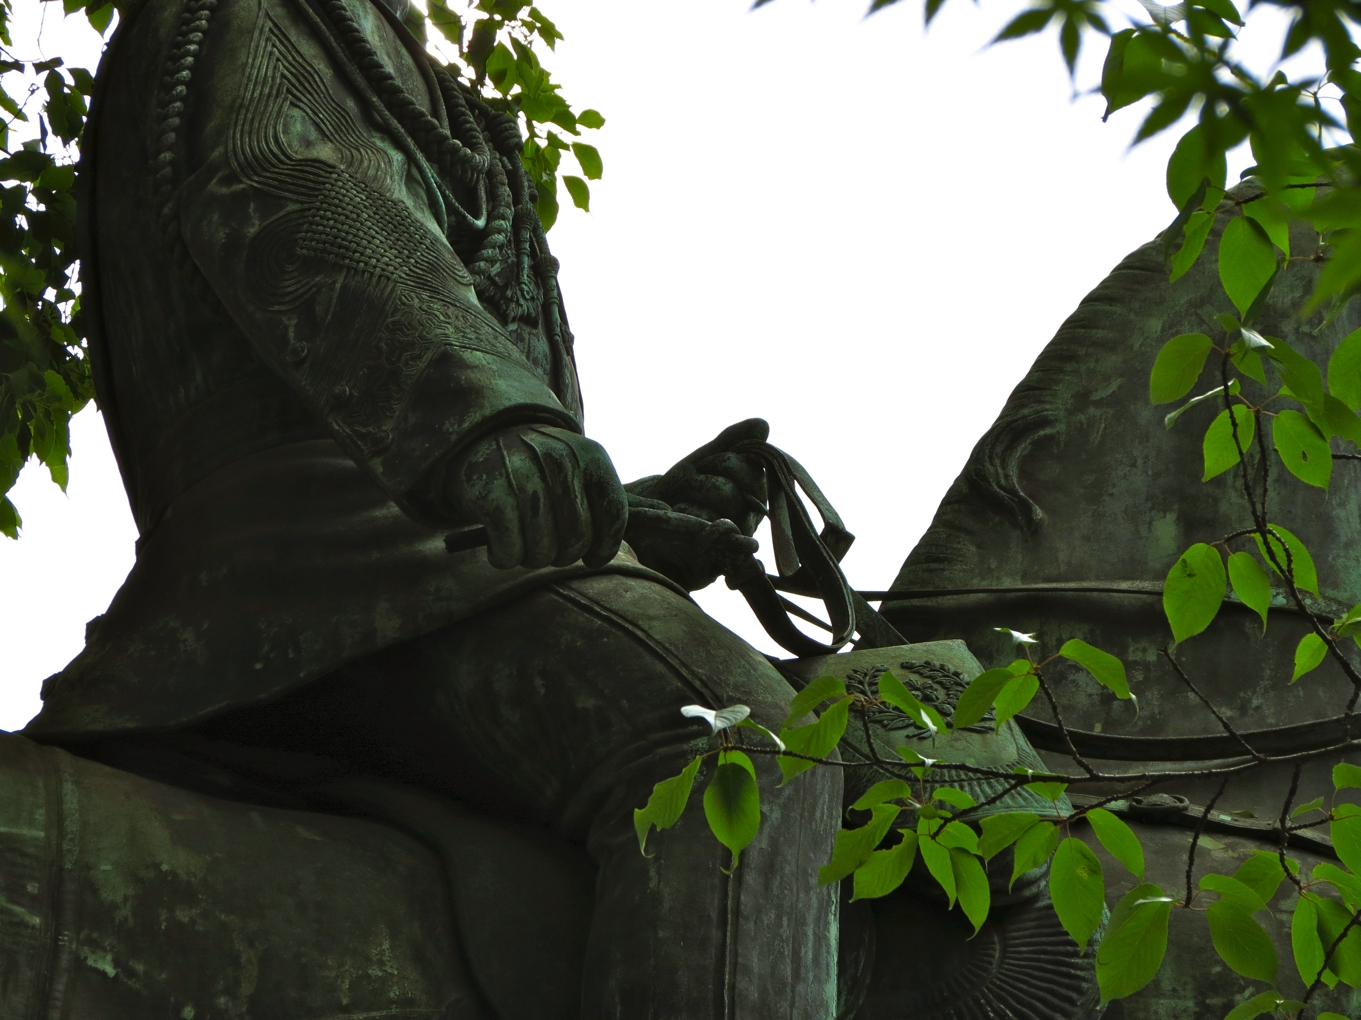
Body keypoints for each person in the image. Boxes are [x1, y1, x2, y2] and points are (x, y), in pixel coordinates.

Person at [22, 0, 841, 1015]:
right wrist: (488, 417)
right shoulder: (270, 12)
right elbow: (288, 183)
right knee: (739, 742)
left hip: (433, 564)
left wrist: (618, 517)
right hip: (319, 566)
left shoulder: (417, 74)